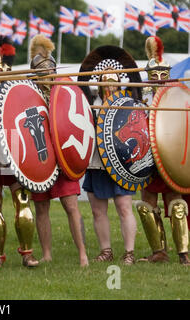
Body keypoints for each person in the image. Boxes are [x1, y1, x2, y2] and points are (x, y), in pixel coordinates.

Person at [28, 35, 88, 267]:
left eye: (50, 68)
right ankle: (47, 254)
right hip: (40, 158)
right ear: (34, 73)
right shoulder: (28, 93)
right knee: (41, 207)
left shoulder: (64, 92)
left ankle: (82, 254)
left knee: (71, 206)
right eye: (41, 70)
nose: (47, 73)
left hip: (63, 156)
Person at [78, 46, 141, 265]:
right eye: (105, 80)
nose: (109, 84)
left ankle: (129, 252)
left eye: (113, 80)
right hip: (97, 161)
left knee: (124, 206)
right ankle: (106, 250)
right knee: (97, 210)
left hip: (121, 161)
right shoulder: (90, 103)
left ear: (120, 81)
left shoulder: (127, 104)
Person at [0, 36, 39, 267]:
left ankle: (28, 253)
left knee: (23, 200)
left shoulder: (17, 92)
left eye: (5, 67)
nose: (2, 71)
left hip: (15, 151)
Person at [135, 35, 189, 266]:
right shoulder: (139, 97)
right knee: (147, 206)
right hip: (146, 157)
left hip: (171, 156)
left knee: (176, 203)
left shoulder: (175, 96)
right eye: (154, 75)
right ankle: (159, 251)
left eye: (162, 75)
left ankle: (183, 253)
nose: (158, 79)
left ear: (168, 75)